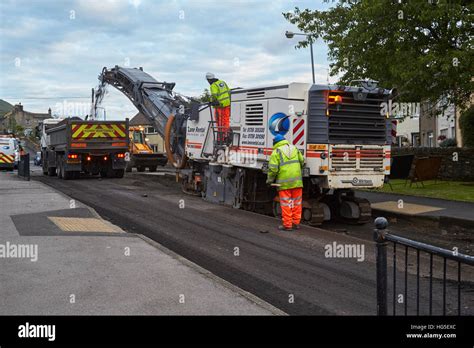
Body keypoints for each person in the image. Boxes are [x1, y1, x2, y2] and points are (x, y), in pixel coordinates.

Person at [266, 134, 304, 231]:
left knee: (286, 204)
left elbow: (273, 169)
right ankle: (296, 223)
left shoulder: (276, 152)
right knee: (297, 202)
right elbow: (302, 161)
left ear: (275, 143)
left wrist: (269, 181)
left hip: (284, 183)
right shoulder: (294, 148)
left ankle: (287, 225)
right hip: (297, 181)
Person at [206, 73, 230, 143]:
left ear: (209, 80)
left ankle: (221, 139)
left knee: (220, 122)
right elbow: (229, 92)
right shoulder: (222, 82)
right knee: (226, 120)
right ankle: (227, 135)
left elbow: (214, 95)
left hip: (220, 106)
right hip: (227, 104)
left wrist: (211, 101)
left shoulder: (213, 85)